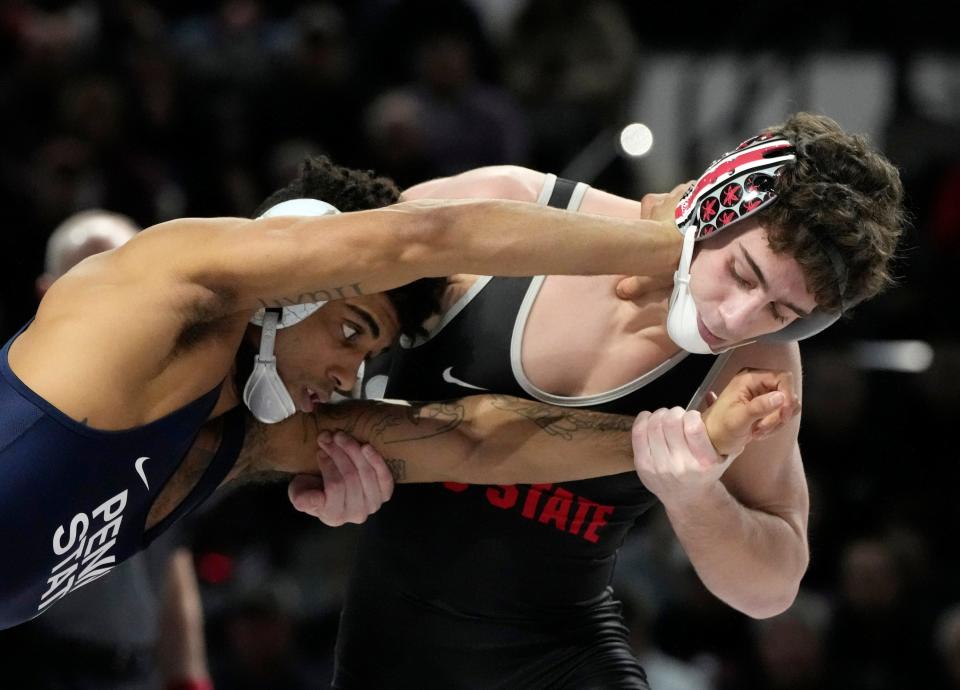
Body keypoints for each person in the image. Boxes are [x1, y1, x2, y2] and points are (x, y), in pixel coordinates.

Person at [0, 155, 782, 632]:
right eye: (350, 331)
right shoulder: (166, 285)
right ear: (296, 283)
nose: (346, 377)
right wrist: (687, 250)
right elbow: (429, 237)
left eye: (367, 354)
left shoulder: (237, 439)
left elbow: (466, 437)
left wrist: (691, 439)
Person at [289, 113, 906, 689]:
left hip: (567, 660)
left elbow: (771, 586)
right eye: (743, 274)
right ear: (714, 201)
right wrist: (329, 459)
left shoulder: (755, 366)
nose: (738, 317)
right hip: (385, 656)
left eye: (781, 311)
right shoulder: (507, 206)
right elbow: (291, 314)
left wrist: (695, 496)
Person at [0, 210, 212, 690]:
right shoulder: (12, 407)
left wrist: (189, 678)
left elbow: (170, 553)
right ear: (48, 292)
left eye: (129, 278)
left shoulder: (175, 401)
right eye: (93, 278)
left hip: (138, 673)